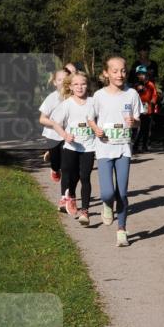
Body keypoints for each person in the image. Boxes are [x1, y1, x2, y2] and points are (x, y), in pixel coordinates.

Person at [88, 56, 141, 247]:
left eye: (123, 70)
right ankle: (107, 205)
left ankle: (122, 230)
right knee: (107, 193)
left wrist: (134, 122)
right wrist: (95, 129)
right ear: (106, 73)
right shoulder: (99, 96)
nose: (120, 74)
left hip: (123, 147)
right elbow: (90, 118)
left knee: (123, 193)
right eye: (115, 71)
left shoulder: (132, 94)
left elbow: (138, 120)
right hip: (104, 147)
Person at [45, 70, 96, 225]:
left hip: (88, 147)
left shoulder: (94, 102)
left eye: (83, 84)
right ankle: (71, 196)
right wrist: (65, 135)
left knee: (85, 176)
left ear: (87, 85)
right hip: (71, 147)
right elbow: (55, 124)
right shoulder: (66, 104)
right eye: (76, 84)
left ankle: (85, 211)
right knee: (72, 176)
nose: (80, 87)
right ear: (70, 87)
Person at [38, 67, 71, 210]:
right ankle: (53, 167)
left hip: (68, 137)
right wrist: (54, 124)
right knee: (56, 163)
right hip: (52, 135)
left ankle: (64, 197)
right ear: (54, 83)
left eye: (66, 79)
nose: (63, 82)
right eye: (59, 80)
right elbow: (42, 119)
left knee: (67, 167)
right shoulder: (52, 98)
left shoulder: (74, 97)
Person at [132, 66, 159, 152]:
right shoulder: (135, 85)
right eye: (139, 74)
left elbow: (155, 95)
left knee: (147, 128)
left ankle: (145, 145)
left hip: (148, 109)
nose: (141, 76)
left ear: (146, 74)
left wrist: (153, 102)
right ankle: (135, 146)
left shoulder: (150, 84)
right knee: (138, 128)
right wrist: (137, 88)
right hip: (138, 109)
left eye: (142, 74)